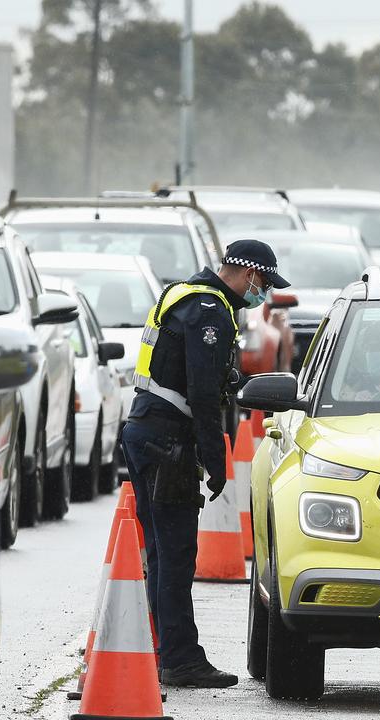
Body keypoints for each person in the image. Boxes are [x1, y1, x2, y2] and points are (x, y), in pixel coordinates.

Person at [119, 239, 288, 688]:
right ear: (248, 273)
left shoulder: (183, 294)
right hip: (167, 442)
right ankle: (180, 659)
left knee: (161, 552)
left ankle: (167, 652)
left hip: (145, 431)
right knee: (175, 554)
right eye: (264, 282)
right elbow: (202, 395)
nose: (264, 293)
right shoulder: (210, 312)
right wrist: (219, 462)